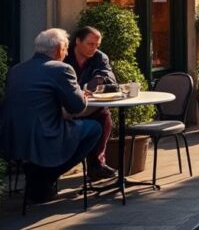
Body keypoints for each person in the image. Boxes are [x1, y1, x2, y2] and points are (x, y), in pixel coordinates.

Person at [1, 29, 102, 203]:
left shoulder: (16, 69)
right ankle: (46, 177)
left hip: (12, 136)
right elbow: (77, 106)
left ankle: (39, 177)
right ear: (58, 49)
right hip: (45, 134)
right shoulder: (61, 69)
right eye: (65, 48)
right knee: (94, 128)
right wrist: (81, 94)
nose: (67, 53)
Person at [64, 26, 117, 181]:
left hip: (89, 104)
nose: (94, 48)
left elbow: (109, 76)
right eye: (90, 44)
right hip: (66, 104)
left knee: (103, 114)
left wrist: (99, 79)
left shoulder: (100, 57)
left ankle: (96, 165)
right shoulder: (64, 56)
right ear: (78, 41)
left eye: (97, 45)